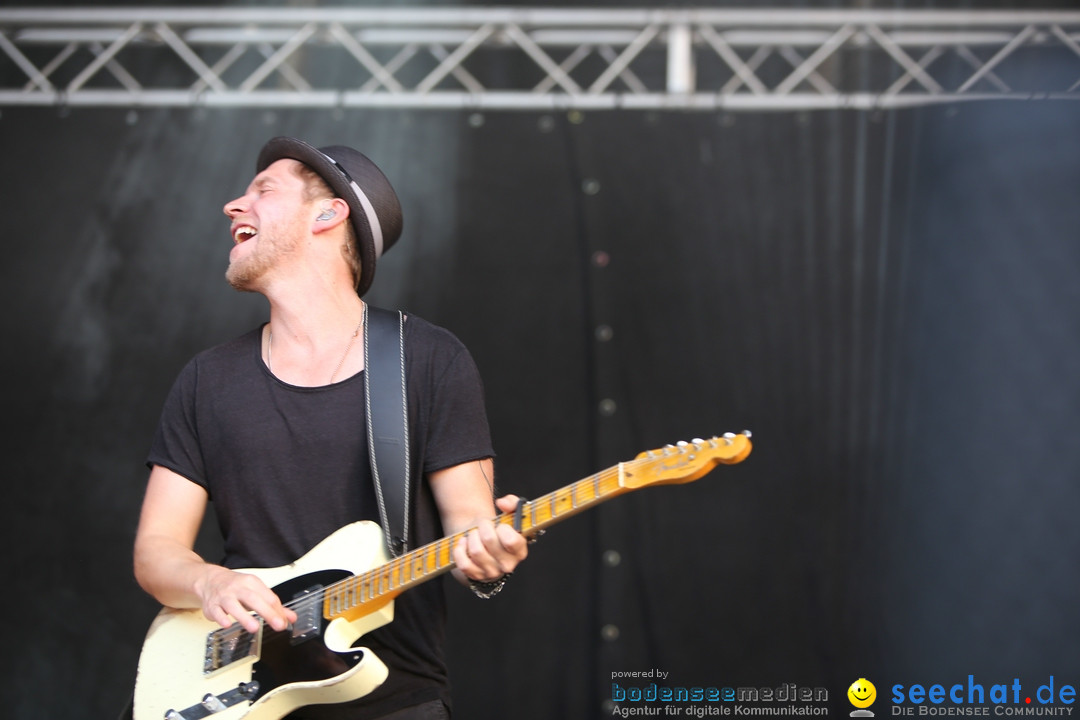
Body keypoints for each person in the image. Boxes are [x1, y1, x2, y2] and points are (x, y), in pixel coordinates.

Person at [133, 136, 528, 719]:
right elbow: (156, 551)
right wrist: (209, 583)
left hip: (392, 698)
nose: (232, 206)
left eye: (262, 190)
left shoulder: (428, 360)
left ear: (328, 213)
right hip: (238, 698)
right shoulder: (206, 380)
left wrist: (488, 555)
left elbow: (470, 524)